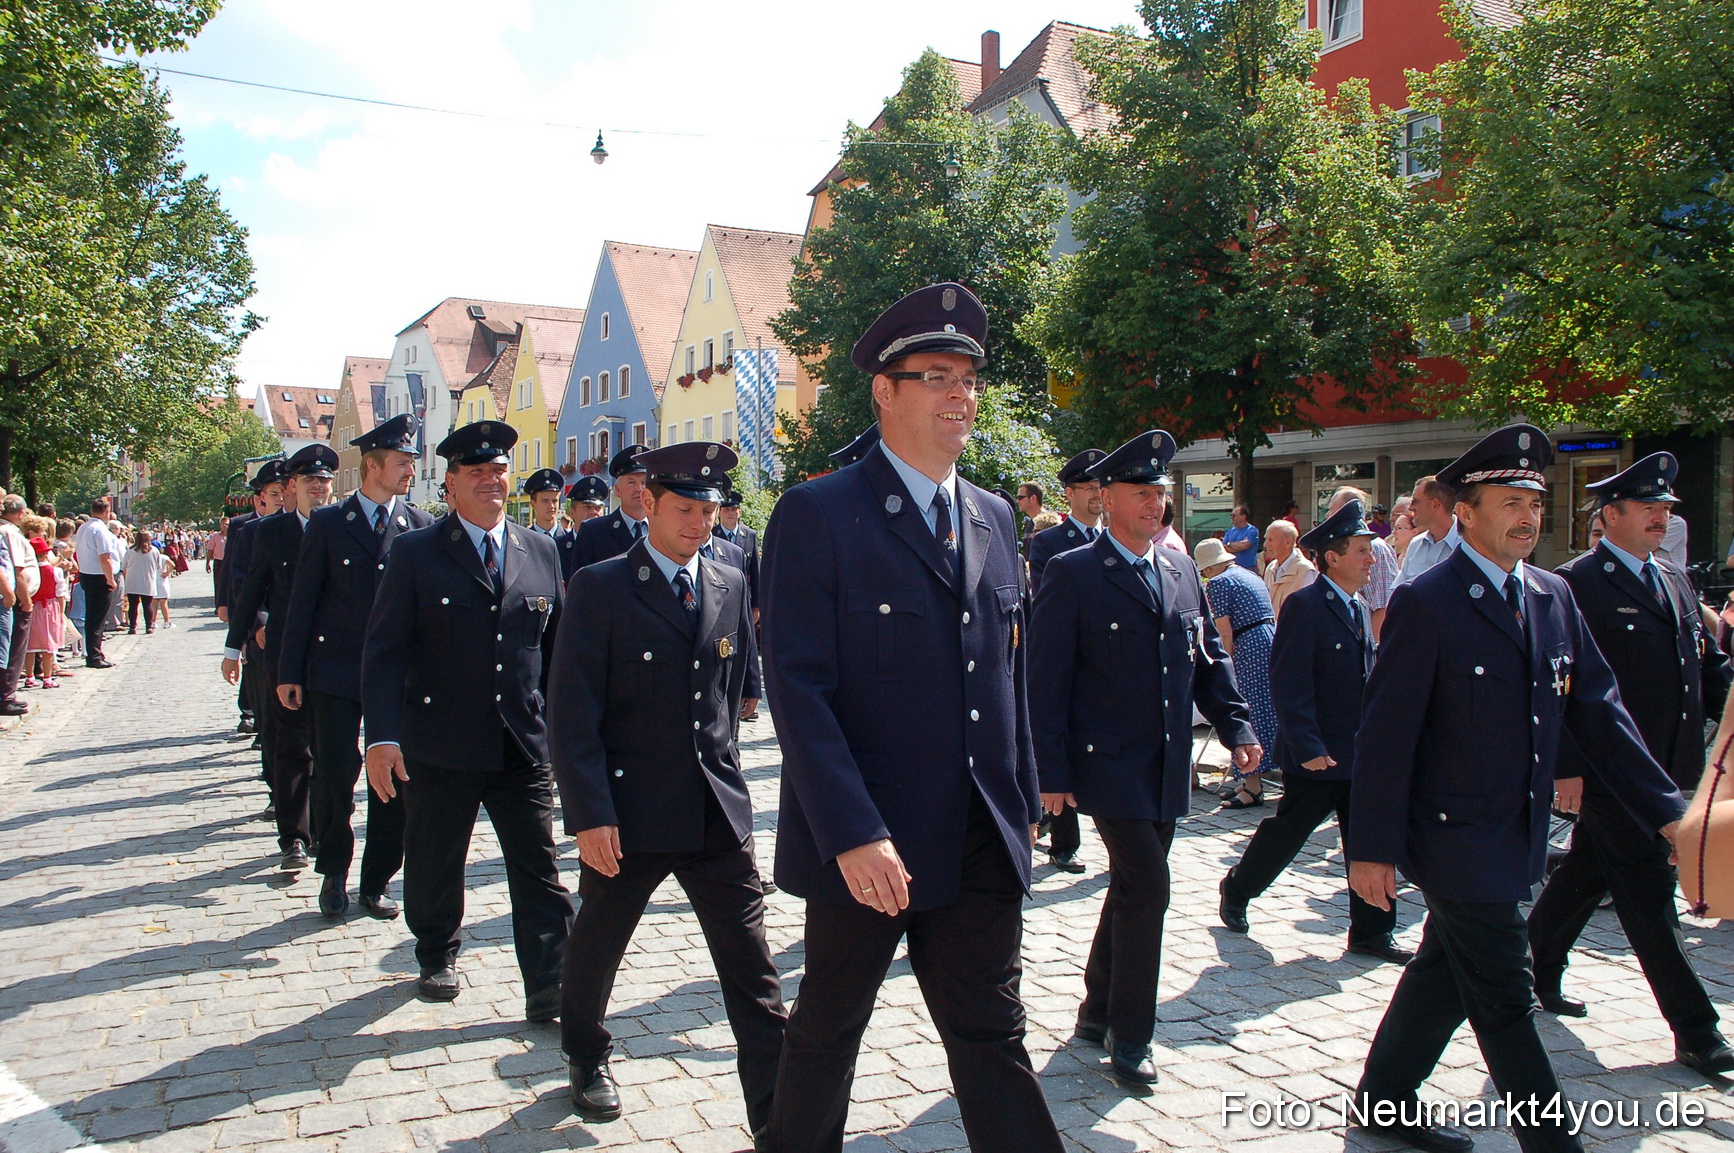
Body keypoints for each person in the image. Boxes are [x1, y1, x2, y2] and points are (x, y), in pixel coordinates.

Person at [760, 283, 1062, 1153]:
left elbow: (1008, 675)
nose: (959, 394)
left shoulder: (996, 516)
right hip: (872, 841)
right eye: (935, 375)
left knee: (992, 1035)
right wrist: (851, 831)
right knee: (827, 1032)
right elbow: (799, 691)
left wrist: (1025, 803)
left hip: (975, 835)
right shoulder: (821, 514)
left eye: (969, 377)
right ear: (884, 391)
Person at [1348, 425, 1688, 1153]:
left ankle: (1382, 1101)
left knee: (1445, 967)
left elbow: (1599, 712)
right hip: (1452, 836)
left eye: (1534, 500)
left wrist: (1672, 814)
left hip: (1517, 833)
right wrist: (1371, 847)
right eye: (1509, 501)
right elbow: (1384, 736)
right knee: (1506, 995)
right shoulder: (1428, 601)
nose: (1527, 516)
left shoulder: (1551, 595)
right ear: (1463, 511)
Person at [549, 441, 784, 1129]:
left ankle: (777, 1118)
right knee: (597, 942)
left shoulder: (731, 579)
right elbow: (573, 713)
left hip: (714, 813)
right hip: (630, 811)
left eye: (710, 509)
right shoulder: (600, 586)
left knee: (755, 976)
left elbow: (729, 691)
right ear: (648, 502)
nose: (700, 523)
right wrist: (590, 813)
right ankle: (586, 1052)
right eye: (685, 508)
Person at [1028, 430, 1259, 1086]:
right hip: (1106, 762)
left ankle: (1096, 1010)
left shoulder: (1181, 568)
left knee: (1132, 886)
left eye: (1161, 492)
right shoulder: (1072, 572)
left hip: (1166, 761)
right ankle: (1132, 1036)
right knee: (1150, 887)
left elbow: (1205, 661)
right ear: (1107, 497)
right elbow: (1044, 680)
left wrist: (1236, 723)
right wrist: (1051, 773)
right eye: (1142, 492)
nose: (1156, 504)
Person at [1527, 452, 1733, 1076]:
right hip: (1611, 770)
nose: (1661, 518)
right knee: (1649, 896)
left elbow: (1701, 666)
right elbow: (1557, 681)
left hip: (1672, 767)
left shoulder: (1671, 578)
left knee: (1587, 870)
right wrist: (1565, 763)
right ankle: (1697, 1030)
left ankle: (1535, 959)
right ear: (1610, 514)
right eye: (1649, 508)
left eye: (1666, 509)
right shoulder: (1575, 584)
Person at [362, 420, 573, 1017]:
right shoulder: (415, 552)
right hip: (440, 740)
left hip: (521, 742)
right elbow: (384, 652)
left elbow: (556, 650)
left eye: (499, 470)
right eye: (476, 472)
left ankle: (549, 981)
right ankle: (436, 950)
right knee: (435, 857)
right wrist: (381, 736)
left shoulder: (540, 549)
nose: (491, 479)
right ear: (450, 484)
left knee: (538, 865)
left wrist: (569, 733)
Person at [1219, 501, 1409, 963]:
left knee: (1367, 840)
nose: (1371, 559)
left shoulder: (1359, 606)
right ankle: (1238, 887)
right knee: (1291, 830)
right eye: (1362, 550)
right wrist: (1306, 745)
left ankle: (1372, 931)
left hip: (1358, 748)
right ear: (1332, 557)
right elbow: (1289, 681)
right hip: (1319, 751)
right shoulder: (1306, 606)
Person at [276, 415, 430, 920]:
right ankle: (334, 873)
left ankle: (377, 879)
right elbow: (303, 601)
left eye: (412, 461)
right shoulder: (328, 523)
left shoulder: (419, 525)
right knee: (336, 777)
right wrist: (289, 671)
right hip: (336, 671)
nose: (411, 469)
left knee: (393, 782)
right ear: (372, 465)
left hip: (397, 678)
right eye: (403, 461)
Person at [225, 445, 338, 872]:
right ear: (293, 488)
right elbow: (250, 591)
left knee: (330, 752)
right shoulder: (270, 533)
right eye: (310, 481)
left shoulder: (345, 529)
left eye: (324, 481)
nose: (318, 487)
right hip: (284, 654)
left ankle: (327, 833)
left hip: (333, 658)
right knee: (289, 747)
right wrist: (234, 646)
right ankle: (293, 836)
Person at [1196, 538, 1278, 809]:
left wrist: (1223, 668)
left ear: (1208, 568)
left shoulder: (1219, 584)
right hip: (1268, 641)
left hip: (1248, 647)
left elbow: (1224, 631)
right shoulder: (1248, 575)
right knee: (1267, 711)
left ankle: (1252, 786)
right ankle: (1251, 780)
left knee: (1244, 712)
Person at [219, 462, 288, 741]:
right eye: (274, 493)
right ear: (262, 497)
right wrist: (255, 623)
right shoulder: (248, 529)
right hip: (261, 628)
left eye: (284, 491)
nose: (281, 498)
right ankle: (258, 723)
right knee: (264, 694)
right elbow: (241, 580)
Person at [1026, 449, 1106, 595]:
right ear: (1070, 493)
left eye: (1101, 487)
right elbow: (1046, 599)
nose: (1097, 494)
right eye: (1090, 488)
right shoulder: (1047, 542)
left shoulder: (1117, 538)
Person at [1328, 487, 1397, 638]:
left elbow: (1382, 608)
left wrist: (1371, 654)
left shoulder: (1376, 548)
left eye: (1331, 510)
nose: (1327, 516)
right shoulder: (1336, 547)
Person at [570, 446, 652, 572]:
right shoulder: (593, 531)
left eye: (644, 483)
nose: (639, 489)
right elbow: (581, 584)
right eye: (631, 482)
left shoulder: (662, 528)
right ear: (618, 490)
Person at [0, 494, 39, 713]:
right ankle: (7, 693)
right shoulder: (9, 533)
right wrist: (26, 601)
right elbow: (17, 570)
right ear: (21, 513)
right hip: (14, 598)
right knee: (13, 648)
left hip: (13, 597)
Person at [1395, 475, 1461, 587]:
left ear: (1435, 504)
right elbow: (1398, 591)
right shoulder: (1416, 544)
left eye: (1415, 501)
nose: (1410, 507)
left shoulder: (1469, 544)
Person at [519, 468, 573, 581]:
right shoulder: (524, 541)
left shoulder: (570, 540)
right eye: (545, 501)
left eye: (554, 501)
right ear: (533, 504)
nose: (551, 506)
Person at [714, 486, 761, 616]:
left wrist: (756, 606)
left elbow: (755, 572)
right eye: (727, 509)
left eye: (734, 509)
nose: (730, 513)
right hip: (717, 598)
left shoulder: (750, 535)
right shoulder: (711, 535)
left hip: (742, 599)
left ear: (739, 512)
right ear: (719, 512)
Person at [1261, 519, 1316, 619]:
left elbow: (1310, 611)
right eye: (1266, 539)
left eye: (1270, 540)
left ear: (1288, 542)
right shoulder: (1270, 568)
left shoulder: (1306, 571)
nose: (1265, 544)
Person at [120, 527, 161, 634]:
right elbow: (158, 566)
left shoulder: (130, 550)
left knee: (133, 605)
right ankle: (149, 626)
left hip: (132, 581)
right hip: (148, 581)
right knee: (147, 605)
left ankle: (132, 627)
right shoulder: (154, 551)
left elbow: (123, 566)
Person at [1015, 482, 1049, 557]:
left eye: (1020, 497)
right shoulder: (1030, 522)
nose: (1017, 501)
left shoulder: (1047, 522)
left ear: (1033, 498)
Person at [1222, 505, 1259, 570]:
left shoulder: (1252, 530)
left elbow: (1245, 546)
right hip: (1232, 567)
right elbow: (1224, 548)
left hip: (1249, 568)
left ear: (1243, 517)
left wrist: (1230, 544)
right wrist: (1238, 546)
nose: (1232, 518)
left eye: (1234, 516)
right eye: (1231, 516)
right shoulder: (1230, 531)